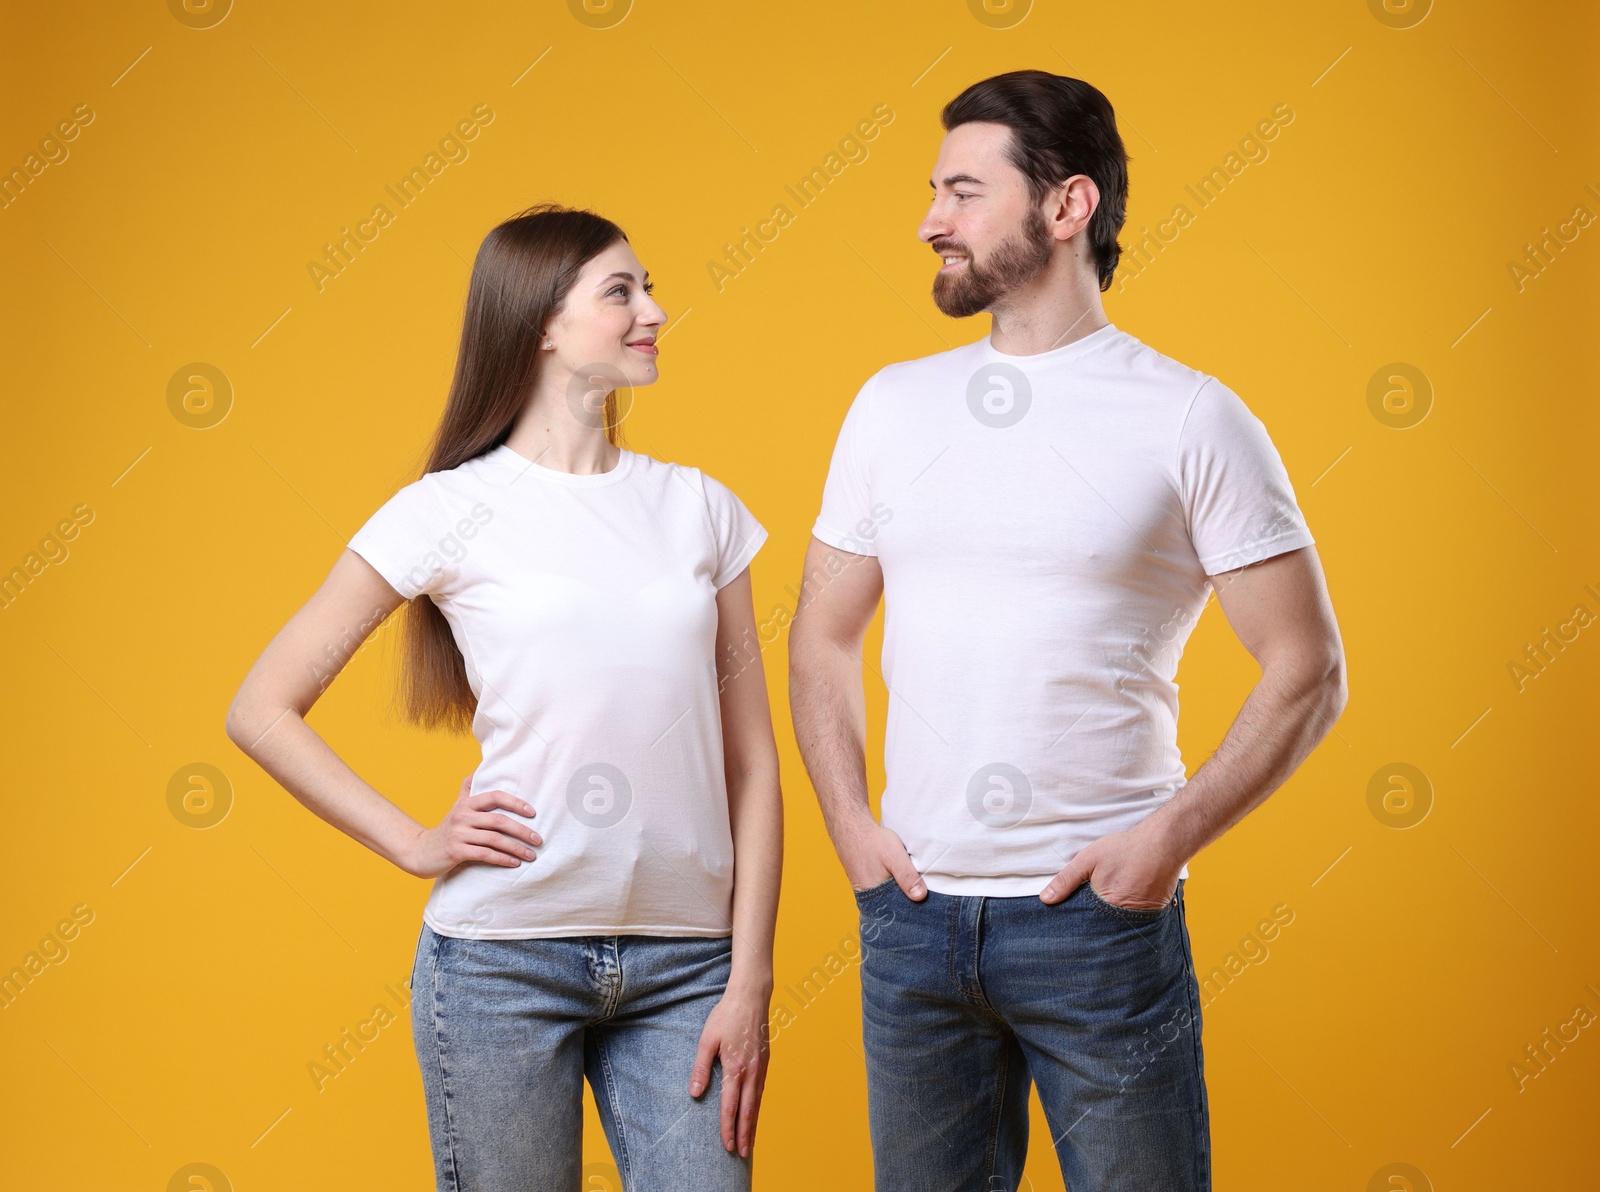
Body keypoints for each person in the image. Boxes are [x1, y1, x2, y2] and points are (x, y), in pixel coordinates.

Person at [789, 70, 1347, 1192]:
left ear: (1067, 206)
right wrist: (850, 825)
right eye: (932, 193)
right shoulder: (890, 406)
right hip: (909, 921)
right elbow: (819, 637)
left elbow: (1308, 666)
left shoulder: (1190, 416)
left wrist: (1162, 843)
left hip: (1095, 922)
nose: (929, 221)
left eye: (961, 191)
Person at [225, 203, 783, 1191]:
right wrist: (412, 841)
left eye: (648, 286)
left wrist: (751, 976)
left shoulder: (699, 507)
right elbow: (261, 706)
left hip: (690, 969)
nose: (655, 310)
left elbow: (752, 764)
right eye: (622, 291)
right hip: (500, 966)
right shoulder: (445, 511)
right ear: (539, 324)